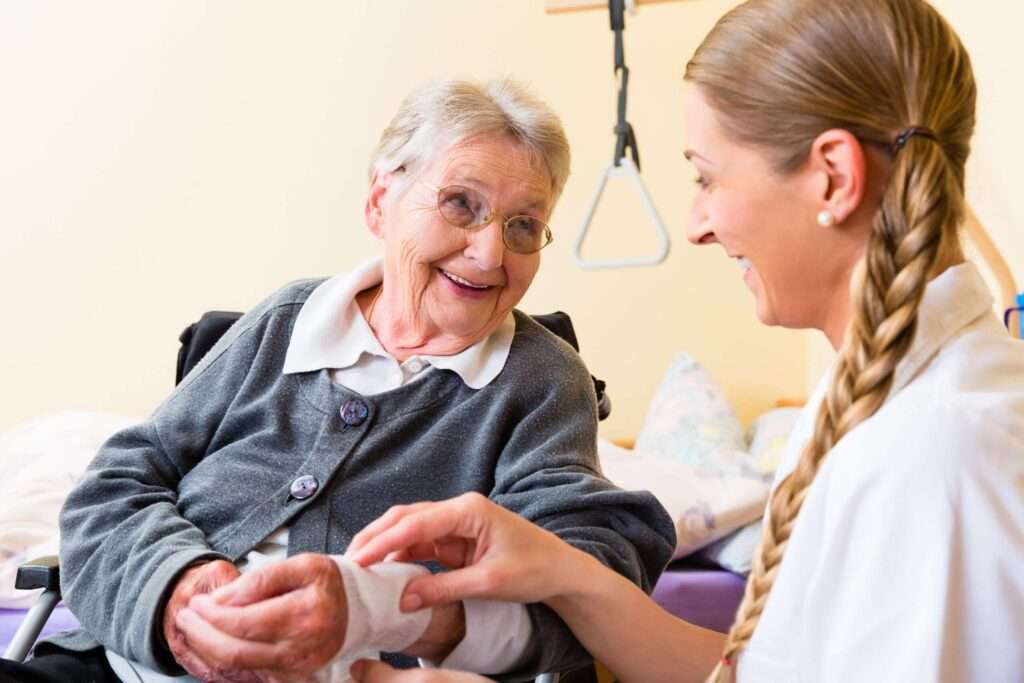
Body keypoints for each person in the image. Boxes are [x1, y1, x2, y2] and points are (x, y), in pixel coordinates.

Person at [343, 1, 1024, 681]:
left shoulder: (938, 454)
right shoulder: (875, 401)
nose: (696, 224)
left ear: (834, 178)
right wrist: (563, 573)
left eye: (706, 176)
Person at [0, 79, 675, 683]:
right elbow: (116, 484)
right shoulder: (289, 320)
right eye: (461, 205)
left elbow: (589, 573)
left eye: (524, 225)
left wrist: (370, 609)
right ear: (382, 201)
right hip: (128, 663)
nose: (490, 252)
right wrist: (175, 590)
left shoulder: (540, 379)